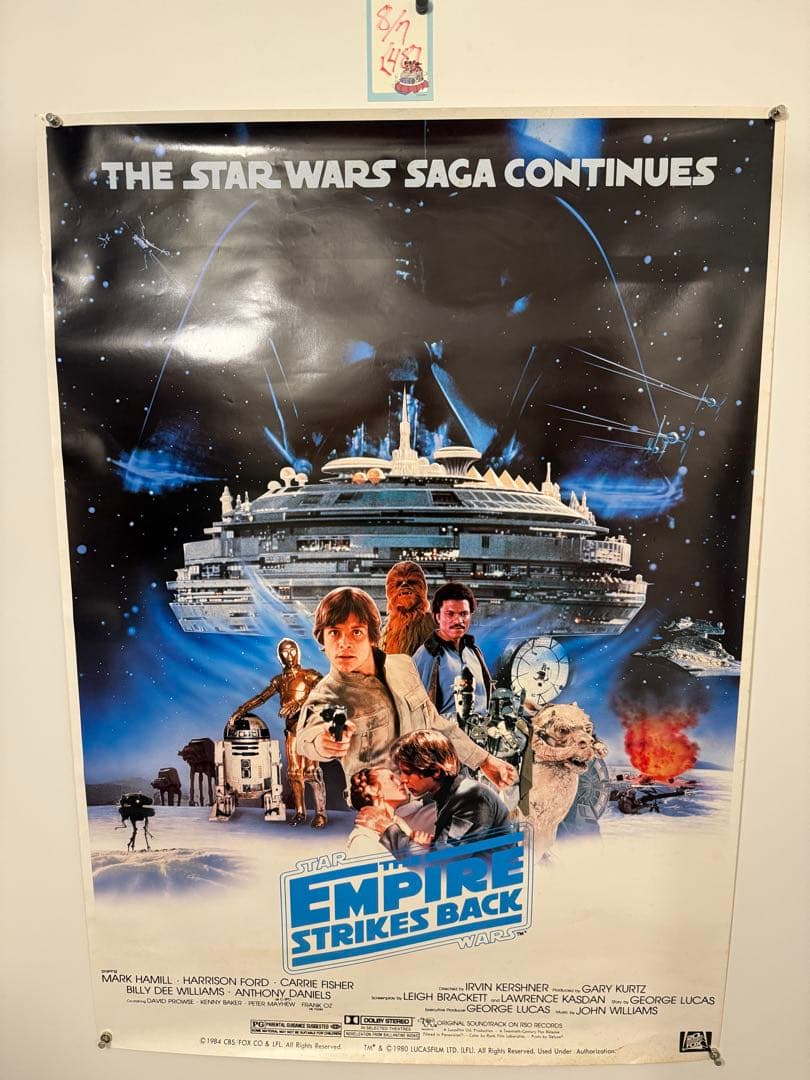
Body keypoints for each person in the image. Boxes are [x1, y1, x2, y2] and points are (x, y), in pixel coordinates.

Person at [295, 587, 516, 793]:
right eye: (334, 632)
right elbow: (307, 739)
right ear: (322, 638)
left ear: (372, 636)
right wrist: (323, 743)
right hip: (380, 805)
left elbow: (435, 723)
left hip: (424, 796)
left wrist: (484, 760)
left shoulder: (403, 665)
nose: (344, 643)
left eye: (356, 632)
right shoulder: (326, 695)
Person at [228, 638, 327, 827]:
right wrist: (241, 710)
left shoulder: (309, 675)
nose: (289, 655)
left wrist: (300, 703)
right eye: (285, 652)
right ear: (280, 656)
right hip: (291, 731)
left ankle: (320, 814)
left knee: (312, 772)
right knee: (294, 773)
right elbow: (261, 697)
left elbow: (326, 692)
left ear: (298, 652)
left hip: (309, 729)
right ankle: (300, 813)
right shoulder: (280, 681)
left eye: (292, 650)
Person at [392, 730, 510, 846]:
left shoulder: (472, 800)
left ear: (436, 771)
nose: (402, 779)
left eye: (408, 772)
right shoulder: (449, 796)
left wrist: (399, 831)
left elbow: (448, 855)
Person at [413, 582, 492, 718]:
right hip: (447, 730)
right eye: (450, 614)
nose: (458, 620)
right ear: (437, 617)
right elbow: (417, 711)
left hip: (483, 729)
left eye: (464, 614)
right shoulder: (426, 655)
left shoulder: (474, 651)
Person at [345, 767, 434, 857]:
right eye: (391, 778)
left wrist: (421, 848)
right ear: (372, 790)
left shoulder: (398, 823)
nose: (402, 781)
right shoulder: (363, 839)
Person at [380, 560, 435, 655]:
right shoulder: (388, 628)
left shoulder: (428, 623)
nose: (404, 585)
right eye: (399, 583)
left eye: (411, 582)